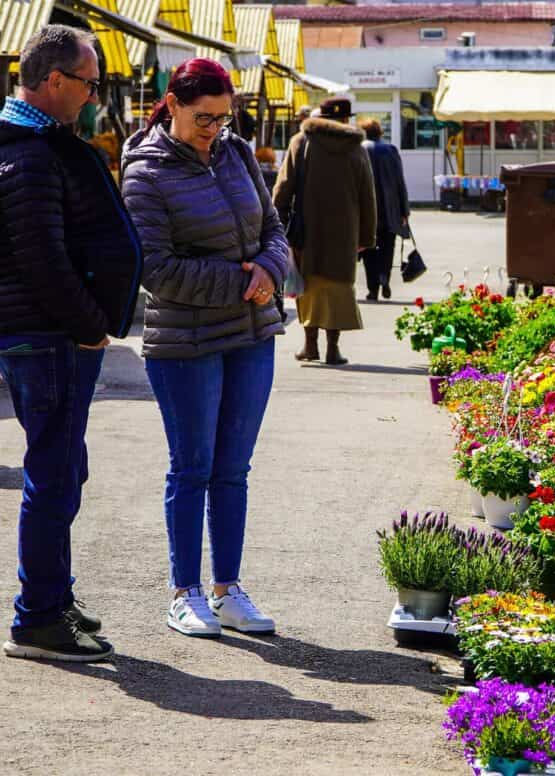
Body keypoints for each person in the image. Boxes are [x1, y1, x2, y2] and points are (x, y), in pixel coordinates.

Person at [121, 58, 288, 638]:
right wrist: (244, 282)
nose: (213, 128)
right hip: (184, 341)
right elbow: (157, 269)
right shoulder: (144, 172)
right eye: (203, 118)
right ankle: (184, 591)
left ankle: (228, 589)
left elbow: (274, 227)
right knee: (191, 469)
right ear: (171, 105)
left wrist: (269, 266)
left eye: (222, 117)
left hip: (252, 334)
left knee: (233, 470)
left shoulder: (238, 154)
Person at [0, 25, 143, 662]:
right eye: (87, 83)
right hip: (48, 335)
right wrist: (90, 327)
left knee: (63, 469)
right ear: (54, 80)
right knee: (54, 474)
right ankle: (37, 620)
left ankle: (52, 596)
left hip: (49, 332)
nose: (92, 96)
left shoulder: (35, 144)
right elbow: (41, 258)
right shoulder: (28, 153)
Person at [274, 97, 376, 365]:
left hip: (307, 231)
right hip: (345, 233)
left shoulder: (301, 142)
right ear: (345, 119)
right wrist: (366, 236)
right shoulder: (357, 148)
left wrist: (275, 224)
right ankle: (333, 348)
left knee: (308, 285)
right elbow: (368, 197)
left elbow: (283, 188)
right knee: (339, 288)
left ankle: (310, 345)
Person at [358, 116, 410, 302]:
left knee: (369, 250)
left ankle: (373, 289)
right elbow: (400, 182)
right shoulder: (391, 150)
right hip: (390, 209)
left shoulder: (360, 149)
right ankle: (384, 277)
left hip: (366, 210)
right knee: (388, 248)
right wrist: (405, 211)